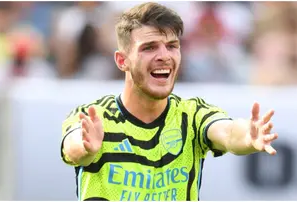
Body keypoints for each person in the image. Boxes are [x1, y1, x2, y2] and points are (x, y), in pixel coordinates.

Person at [60, 2, 279, 201]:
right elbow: (72, 147)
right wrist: (85, 149)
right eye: (149, 47)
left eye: (172, 46)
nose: (164, 55)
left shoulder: (192, 115)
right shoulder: (94, 117)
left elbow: (228, 132)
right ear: (122, 60)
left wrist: (248, 138)